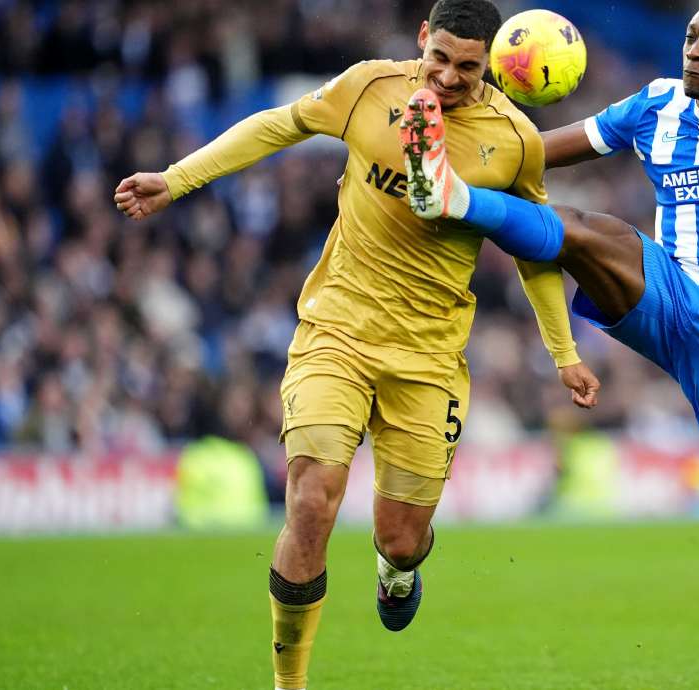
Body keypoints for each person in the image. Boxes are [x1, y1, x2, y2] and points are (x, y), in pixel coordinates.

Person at [113, 1, 601, 688]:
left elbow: (534, 249)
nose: (452, 77)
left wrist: (564, 352)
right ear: (422, 39)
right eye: (441, 59)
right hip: (335, 331)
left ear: (490, 62)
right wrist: (177, 178)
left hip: (429, 357)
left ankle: (396, 574)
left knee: (401, 540)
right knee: (312, 499)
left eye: (469, 66)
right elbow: (278, 126)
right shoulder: (370, 87)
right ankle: (290, 683)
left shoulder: (515, 140)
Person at [398, 2, 699, 687]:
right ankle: (447, 196)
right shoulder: (653, 107)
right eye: (690, 38)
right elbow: (533, 154)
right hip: (668, 293)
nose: (694, 51)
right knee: (586, 230)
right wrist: (466, 125)